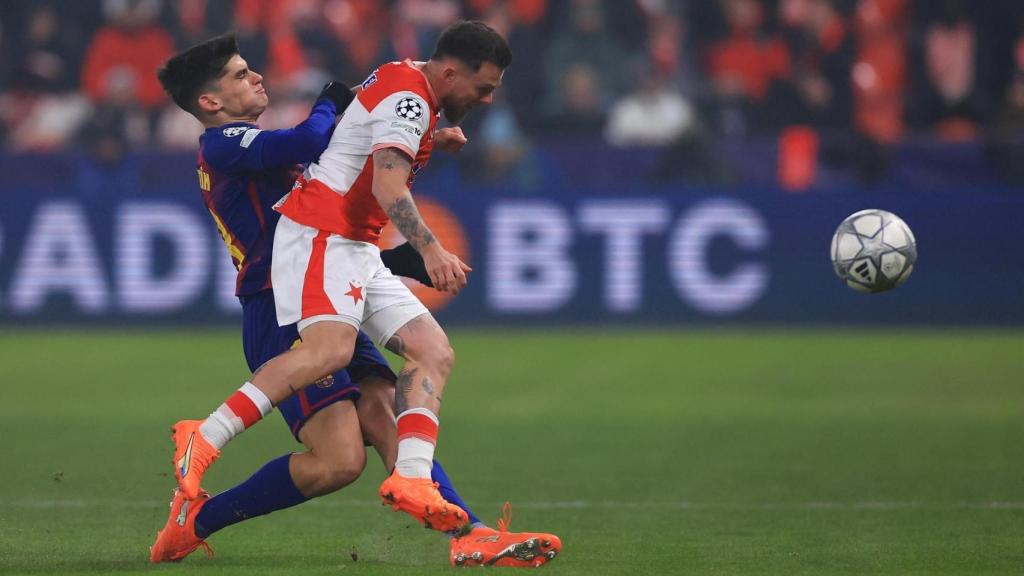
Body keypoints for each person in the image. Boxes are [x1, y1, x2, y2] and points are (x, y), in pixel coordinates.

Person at [150, 33, 560, 568]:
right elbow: (311, 156)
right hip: (277, 304)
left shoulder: (251, 147)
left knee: (387, 406)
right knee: (338, 459)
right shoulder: (226, 144)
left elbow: (338, 183)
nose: (256, 77)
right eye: (239, 74)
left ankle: (468, 531)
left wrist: (418, 141)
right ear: (210, 101)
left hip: (324, 275)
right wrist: (331, 99)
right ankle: (200, 499)